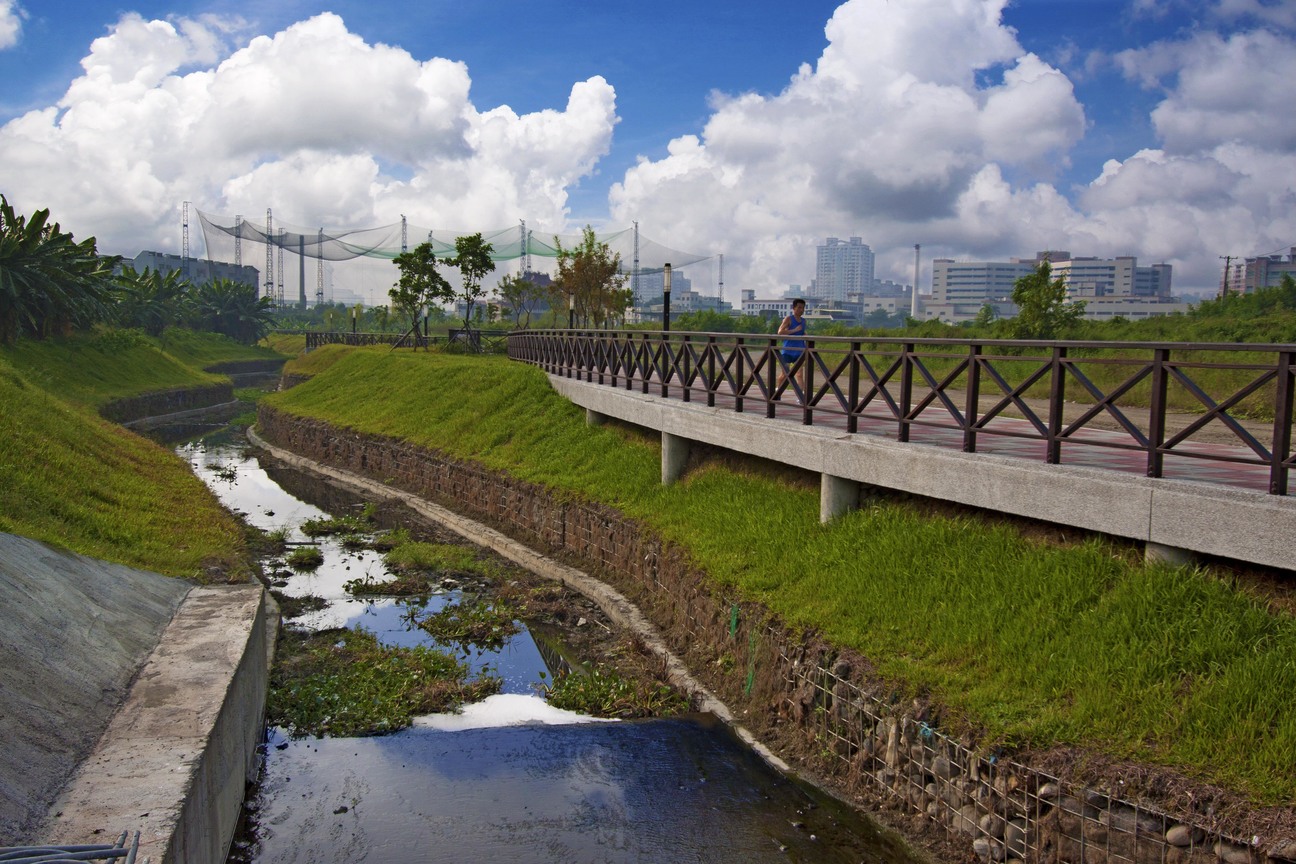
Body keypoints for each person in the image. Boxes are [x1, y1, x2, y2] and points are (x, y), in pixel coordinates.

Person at [776, 298, 807, 401]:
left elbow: (802, 333)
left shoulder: (803, 321)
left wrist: (805, 336)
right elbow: (780, 332)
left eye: (803, 308)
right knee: (785, 373)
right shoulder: (788, 319)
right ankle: (778, 392)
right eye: (799, 307)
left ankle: (800, 396)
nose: (801, 310)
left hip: (799, 350)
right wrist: (794, 330)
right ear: (794, 308)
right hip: (788, 351)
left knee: (799, 374)